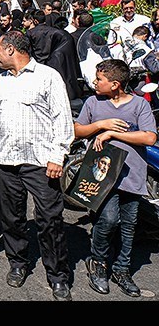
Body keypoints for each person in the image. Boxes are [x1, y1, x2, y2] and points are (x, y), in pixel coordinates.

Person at [0, 30, 74, 301]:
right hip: (7, 161)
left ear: (10, 50)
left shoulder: (48, 77)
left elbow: (62, 119)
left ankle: (58, 275)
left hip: (41, 163)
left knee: (50, 219)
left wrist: (57, 156)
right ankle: (18, 263)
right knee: (12, 217)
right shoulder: (0, 82)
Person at [74, 59, 157, 297]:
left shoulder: (139, 105)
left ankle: (122, 269)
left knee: (129, 225)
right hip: (102, 175)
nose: (94, 82)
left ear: (115, 84)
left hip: (132, 174)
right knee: (109, 219)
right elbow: (78, 130)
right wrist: (101, 125)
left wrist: (112, 133)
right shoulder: (93, 102)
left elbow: (149, 138)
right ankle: (99, 263)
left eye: (99, 79)